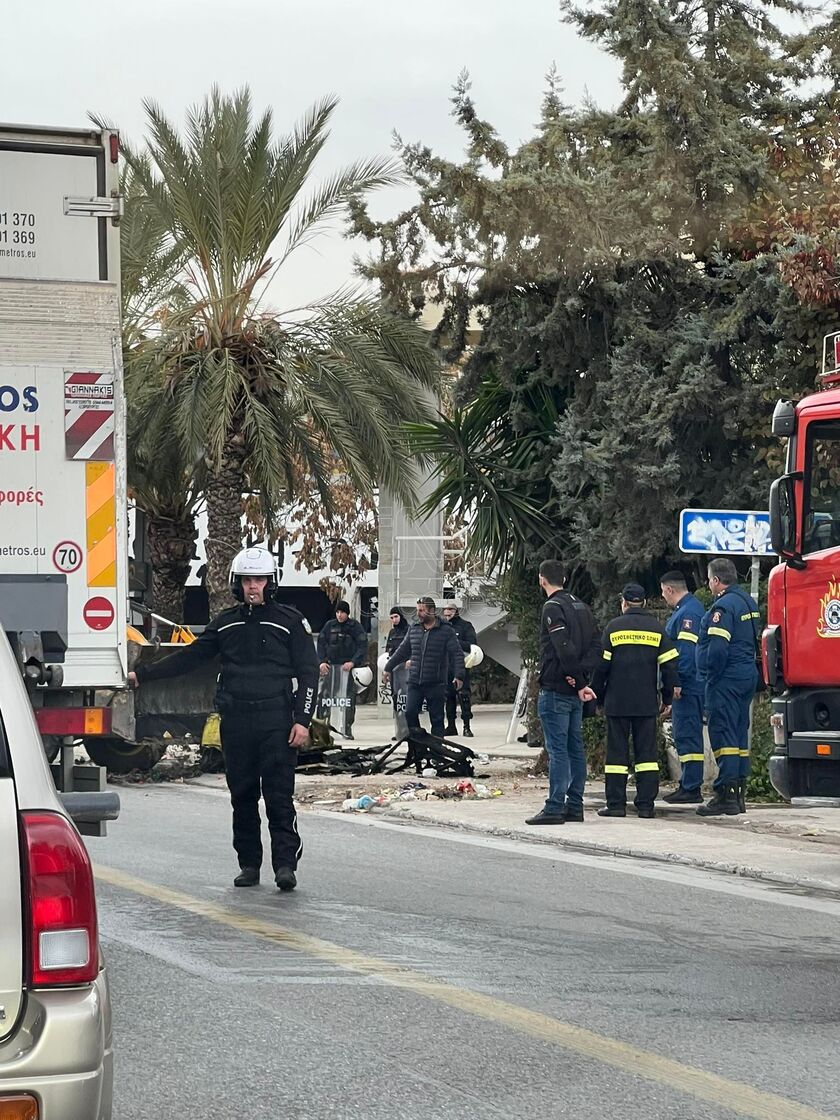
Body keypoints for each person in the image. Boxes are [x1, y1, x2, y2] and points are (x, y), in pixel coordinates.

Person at [128, 547, 318, 891]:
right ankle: (249, 865)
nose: (253, 586)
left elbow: (309, 674)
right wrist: (144, 674)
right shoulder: (226, 623)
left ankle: (285, 866)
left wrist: (302, 720)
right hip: (236, 721)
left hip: (277, 721)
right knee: (242, 797)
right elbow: (189, 658)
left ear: (271, 582)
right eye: (246, 580)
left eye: (259, 580)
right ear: (236, 584)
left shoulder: (290, 622)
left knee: (278, 797)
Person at [591, 583, 680, 819]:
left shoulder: (613, 627)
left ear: (624, 603)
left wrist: (597, 697)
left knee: (616, 756)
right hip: (646, 703)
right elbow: (670, 666)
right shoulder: (656, 628)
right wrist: (667, 697)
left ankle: (616, 805)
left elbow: (601, 667)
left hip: (617, 702)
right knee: (647, 756)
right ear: (645, 603)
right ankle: (646, 806)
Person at [526, 559, 600, 827]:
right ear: (565, 579)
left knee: (558, 750)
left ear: (541, 579)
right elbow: (597, 645)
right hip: (575, 690)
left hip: (556, 688)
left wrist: (576, 680)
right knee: (575, 748)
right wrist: (582, 677)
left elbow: (562, 646)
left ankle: (555, 806)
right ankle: (575, 805)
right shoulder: (582, 607)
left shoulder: (552, 607)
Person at [695, 557, 760, 817]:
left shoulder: (723, 607)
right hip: (746, 676)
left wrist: (710, 676)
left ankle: (725, 795)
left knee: (723, 734)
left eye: (709, 580)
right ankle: (738, 794)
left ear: (716, 580)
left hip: (726, 678)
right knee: (739, 734)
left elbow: (718, 649)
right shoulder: (747, 602)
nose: (708, 584)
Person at [383, 596, 465, 738]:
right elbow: (402, 651)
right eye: (417, 610)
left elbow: (457, 654)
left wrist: (459, 675)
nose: (418, 613)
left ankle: (436, 748)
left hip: (436, 682)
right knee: (410, 712)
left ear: (431, 611)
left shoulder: (446, 631)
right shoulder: (414, 629)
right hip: (415, 681)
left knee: (437, 719)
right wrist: (388, 667)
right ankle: (418, 745)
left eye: (422, 610)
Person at [660, 570, 706, 804]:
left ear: (669, 589)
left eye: (663, 591)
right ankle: (689, 784)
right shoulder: (688, 609)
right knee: (686, 734)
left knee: (687, 734)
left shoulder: (688, 613)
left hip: (688, 685)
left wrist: (676, 682)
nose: (663, 596)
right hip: (689, 684)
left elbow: (686, 653)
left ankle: (691, 787)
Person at [316, 600, 368, 739]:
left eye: (342, 612)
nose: (339, 615)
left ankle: (346, 728)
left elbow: (362, 646)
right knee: (324, 699)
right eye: (337, 612)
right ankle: (321, 730)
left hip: (347, 670)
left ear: (347, 613)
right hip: (330, 669)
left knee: (348, 700)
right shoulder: (329, 626)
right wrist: (322, 662)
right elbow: (321, 644)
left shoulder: (355, 627)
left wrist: (353, 662)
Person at [441, 601, 478, 737]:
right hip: (446, 665)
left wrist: (454, 641)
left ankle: (467, 726)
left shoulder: (465, 626)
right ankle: (451, 726)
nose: (447, 614)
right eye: (445, 611)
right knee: (449, 697)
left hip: (461, 665)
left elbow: (472, 644)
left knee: (464, 696)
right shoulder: (442, 627)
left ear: (455, 611)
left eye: (450, 611)